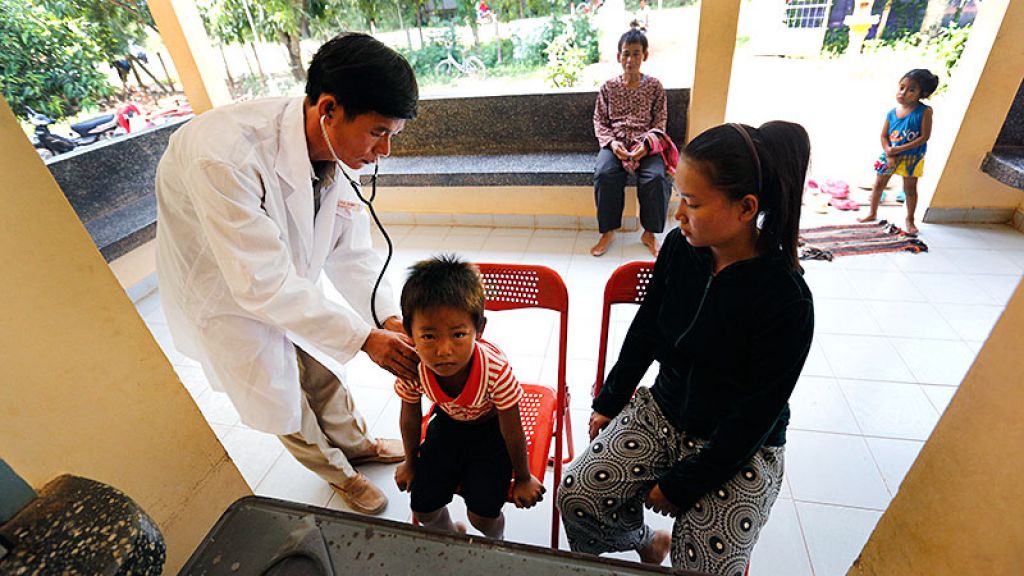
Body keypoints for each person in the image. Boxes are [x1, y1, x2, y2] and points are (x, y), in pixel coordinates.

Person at [155, 33, 420, 516]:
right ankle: (340, 474)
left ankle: (358, 444)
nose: (384, 152)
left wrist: (385, 319)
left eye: (392, 136)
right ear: (329, 109)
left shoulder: (337, 150)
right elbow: (258, 282)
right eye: (378, 132)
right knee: (280, 392)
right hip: (224, 291)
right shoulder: (225, 155)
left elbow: (351, 251)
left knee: (321, 372)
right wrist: (364, 340)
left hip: (274, 276)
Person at [558, 121, 815, 575]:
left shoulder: (787, 299)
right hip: (664, 411)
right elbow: (647, 329)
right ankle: (644, 540)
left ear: (745, 208)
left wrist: (682, 485)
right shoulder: (681, 248)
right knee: (579, 494)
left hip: (739, 444)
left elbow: (757, 414)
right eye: (679, 196)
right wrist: (612, 399)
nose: (678, 214)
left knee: (705, 561)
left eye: (692, 203)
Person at [393, 255, 545, 538]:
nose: (444, 350)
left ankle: (495, 542)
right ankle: (453, 536)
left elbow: (512, 429)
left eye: (458, 334)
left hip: (492, 433)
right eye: (428, 336)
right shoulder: (413, 368)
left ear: (480, 329)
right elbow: (410, 416)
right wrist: (410, 462)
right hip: (447, 426)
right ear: (409, 333)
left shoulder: (495, 370)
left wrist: (523, 478)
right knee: (423, 507)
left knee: (483, 516)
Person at [591, 29, 673, 258]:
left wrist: (646, 146)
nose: (630, 60)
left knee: (656, 178)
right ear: (618, 57)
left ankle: (649, 233)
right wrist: (611, 144)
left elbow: (660, 121)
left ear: (644, 56)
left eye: (636, 54)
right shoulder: (608, 88)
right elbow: (599, 120)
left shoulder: (655, 87)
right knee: (604, 175)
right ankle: (608, 231)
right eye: (626, 54)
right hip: (615, 144)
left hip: (646, 144)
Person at [858, 68, 939, 235]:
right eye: (901, 87)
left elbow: (924, 137)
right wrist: (888, 151)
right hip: (889, 155)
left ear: (922, 93)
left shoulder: (924, 112)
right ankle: (872, 213)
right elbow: (883, 136)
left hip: (911, 157)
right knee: (879, 184)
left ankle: (910, 219)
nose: (903, 93)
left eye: (911, 90)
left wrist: (898, 149)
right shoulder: (892, 113)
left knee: (910, 189)